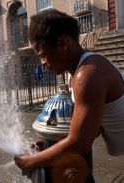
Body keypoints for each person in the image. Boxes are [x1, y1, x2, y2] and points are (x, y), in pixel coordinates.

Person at [14, 9, 124, 182]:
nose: (42, 63)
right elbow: (90, 129)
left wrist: (32, 161)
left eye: (43, 54)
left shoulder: (87, 76)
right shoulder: (86, 66)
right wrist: (49, 146)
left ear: (63, 43)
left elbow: (79, 143)